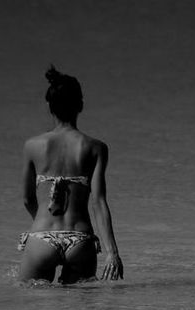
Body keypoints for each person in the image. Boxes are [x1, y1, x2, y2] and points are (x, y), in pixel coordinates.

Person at [17, 65, 123, 283]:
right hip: (80, 240)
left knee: (31, 302)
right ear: (80, 105)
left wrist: (44, 224)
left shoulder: (32, 146)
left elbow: (27, 199)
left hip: (41, 239)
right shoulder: (96, 148)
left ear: (49, 107)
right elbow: (99, 202)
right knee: (79, 305)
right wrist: (112, 252)